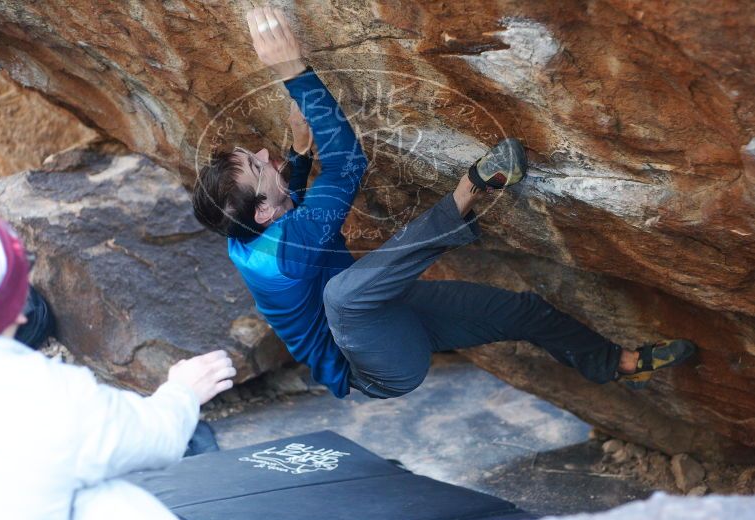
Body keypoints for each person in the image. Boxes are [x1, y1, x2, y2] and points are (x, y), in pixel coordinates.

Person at [192, 7, 695, 400]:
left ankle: (617, 362)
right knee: (342, 295)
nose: (262, 152)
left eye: (254, 154)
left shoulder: (251, 231)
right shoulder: (284, 252)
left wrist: (295, 160)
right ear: (260, 210)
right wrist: (292, 70)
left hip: (385, 312)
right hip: (374, 366)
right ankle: (469, 190)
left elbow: (292, 209)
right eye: (258, 165)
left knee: (521, 311)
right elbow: (346, 162)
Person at [0, 212, 237, 520]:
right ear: (19, 310)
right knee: (109, 502)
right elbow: (158, 437)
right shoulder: (51, 396)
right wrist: (183, 391)